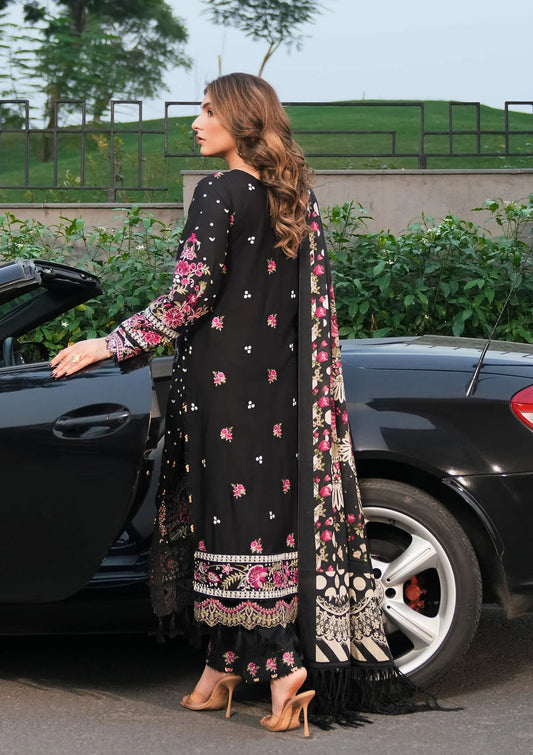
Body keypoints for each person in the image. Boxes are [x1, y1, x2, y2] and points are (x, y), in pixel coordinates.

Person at [51, 72, 417, 735]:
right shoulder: (292, 199)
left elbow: (189, 295)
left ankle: (282, 672)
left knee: (233, 526)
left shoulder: (218, 191)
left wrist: (110, 343)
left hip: (222, 391)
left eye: (207, 110)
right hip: (277, 390)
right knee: (252, 522)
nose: (195, 122)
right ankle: (218, 670)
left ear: (240, 120)